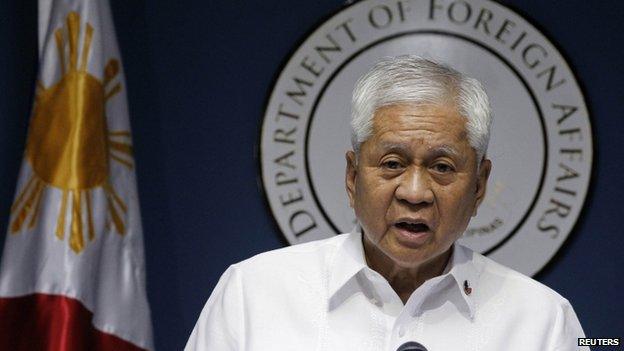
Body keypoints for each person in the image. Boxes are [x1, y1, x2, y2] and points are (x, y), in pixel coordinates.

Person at [185, 56, 587, 350]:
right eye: (392, 163)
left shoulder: (543, 322)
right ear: (352, 175)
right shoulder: (252, 295)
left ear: (479, 186)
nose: (414, 192)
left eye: (442, 167)